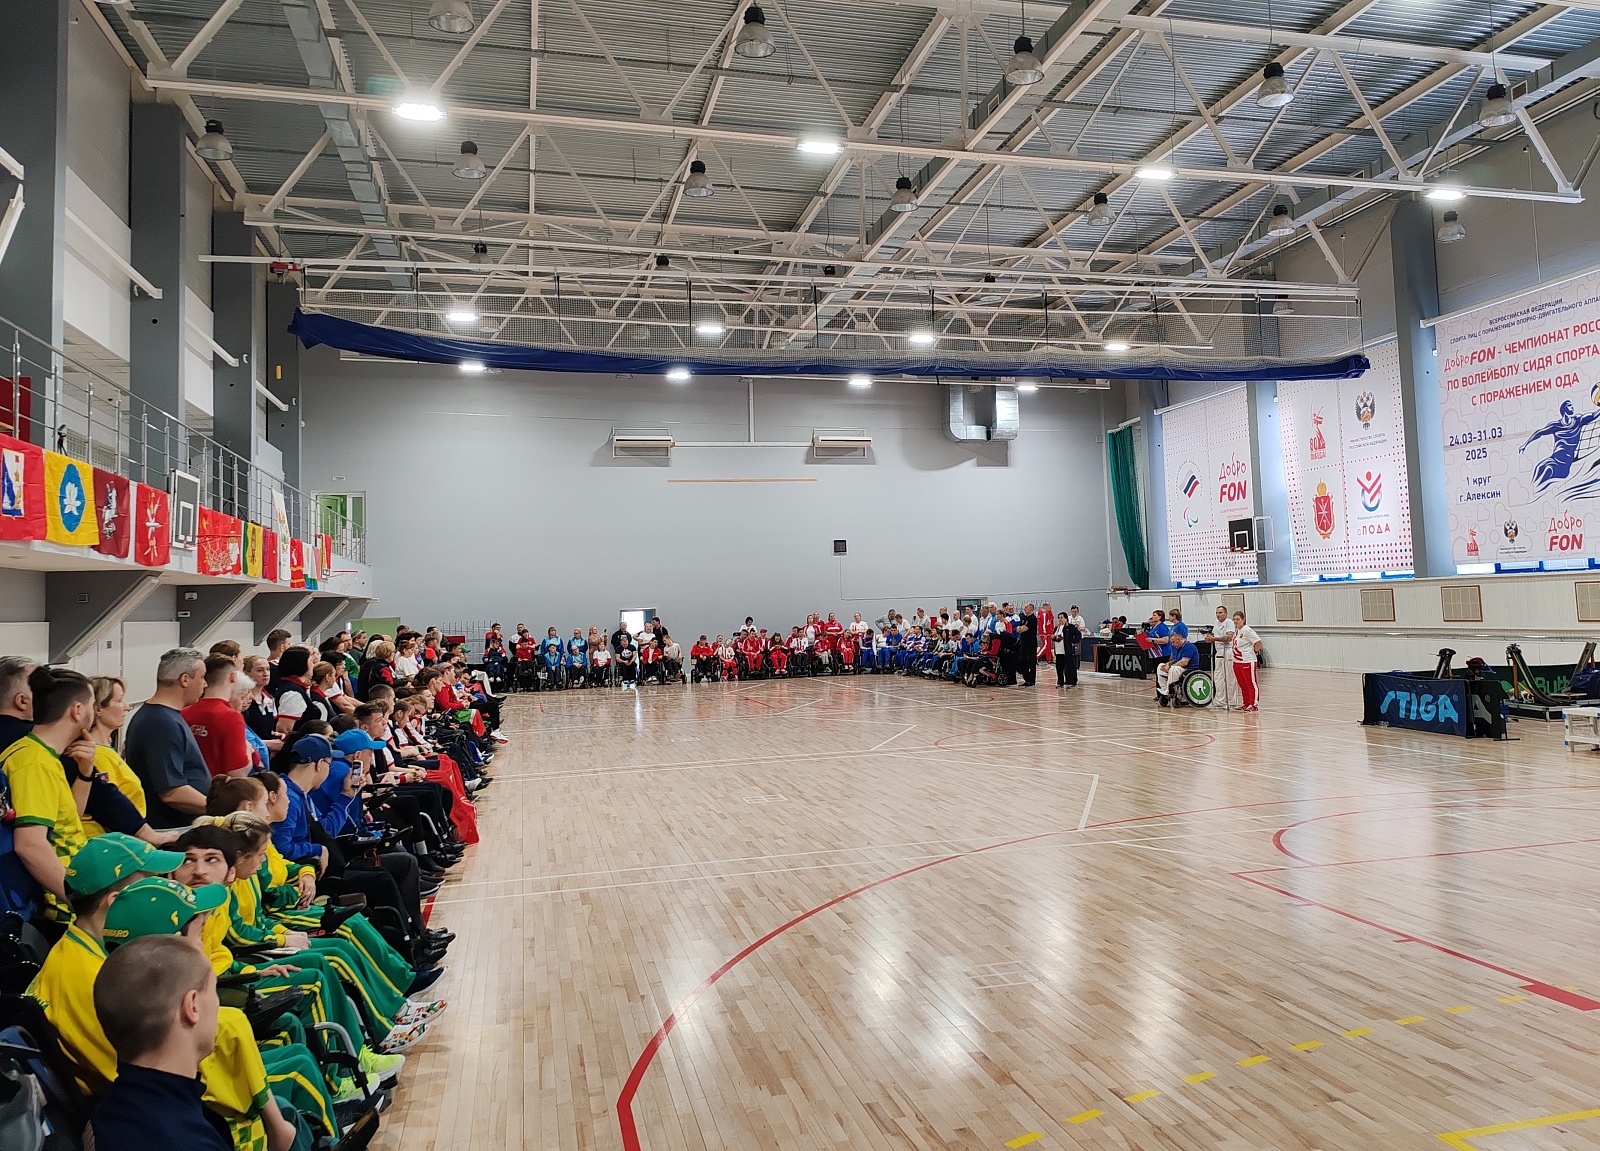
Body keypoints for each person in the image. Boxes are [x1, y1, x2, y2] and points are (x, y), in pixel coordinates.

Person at [1, 666, 99, 924]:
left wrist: (85, 773)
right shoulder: (34, 764)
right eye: (92, 704)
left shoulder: (40, 755)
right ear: (78, 710)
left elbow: (65, 822)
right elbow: (30, 845)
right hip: (61, 910)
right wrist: (81, 902)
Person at [125, 648, 213, 827]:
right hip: (172, 829)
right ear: (185, 679)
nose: (205, 684)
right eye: (202, 677)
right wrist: (219, 810)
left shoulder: (164, 717)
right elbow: (172, 792)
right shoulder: (161, 724)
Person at [183, 655, 253, 780]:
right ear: (233, 677)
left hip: (190, 785)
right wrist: (248, 749)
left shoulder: (184, 712)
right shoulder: (231, 717)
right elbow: (238, 772)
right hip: (219, 788)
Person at [1155, 632, 1201, 707]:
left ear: (1179, 639)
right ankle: (1165, 690)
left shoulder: (1189, 647)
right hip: (1179, 668)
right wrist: (1168, 664)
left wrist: (1170, 667)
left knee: (1174, 668)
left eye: (1173, 642)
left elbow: (1184, 662)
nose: (1172, 644)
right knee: (1160, 666)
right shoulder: (1177, 648)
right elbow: (1176, 660)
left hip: (1189, 669)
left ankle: (1171, 691)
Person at [1231, 610, 1262, 711]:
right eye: (1234, 619)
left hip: (1247, 660)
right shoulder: (1237, 631)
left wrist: (1255, 651)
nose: (1236, 621)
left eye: (1238, 619)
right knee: (1242, 684)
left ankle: (1254, 704)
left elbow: (1258, 642)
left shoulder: (1247, 630)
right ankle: (1246, 703)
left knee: (1251, 683)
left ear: (1243, 620)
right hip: (1237, 661)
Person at [1053, 612, 1080, 689]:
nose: (1060, 619)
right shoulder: (1057, 628)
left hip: (1067, 651)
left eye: (1061, 617)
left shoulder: (1070, 627)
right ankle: (1060, 682)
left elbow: (1078, 635)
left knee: (1070, 666)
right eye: (1059, 618)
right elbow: (1055, 637)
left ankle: (1072, 681)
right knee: (1059, 667)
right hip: (1059, 651)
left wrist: (1073, 642)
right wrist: (1053, 637)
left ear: (1066, 618)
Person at [1016, 603, 1038, 687]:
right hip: (1023, 643)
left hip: (1031, 643)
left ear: (1031, 608)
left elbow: (1024, 628)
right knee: (1022, 660)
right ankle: (1026, 678)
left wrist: (1021, 628)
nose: (1024, 608)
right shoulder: (1024, 618)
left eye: (1026, 607)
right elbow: (1018, 628)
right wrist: (1020, 628)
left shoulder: (1033, 619)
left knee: (1031, 661)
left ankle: (1032, 680)